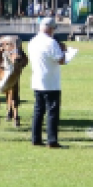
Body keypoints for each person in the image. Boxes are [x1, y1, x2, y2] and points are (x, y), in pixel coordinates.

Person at [30, 17, 67, 148]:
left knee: (38, 111)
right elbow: (61, 60)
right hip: (50, 81)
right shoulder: (51, 42)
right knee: (52, 111)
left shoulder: (32, 41)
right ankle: (52, 140)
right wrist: (64, 51)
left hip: (37, 79)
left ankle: (36, 138)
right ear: (50, 29)